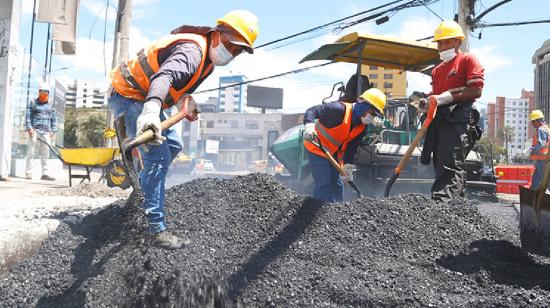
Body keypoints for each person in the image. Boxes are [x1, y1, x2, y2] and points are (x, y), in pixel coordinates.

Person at [108, 10, 259, 249]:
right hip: (130, 95)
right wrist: (150, 111)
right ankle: (156, 230)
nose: (232, 53)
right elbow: (165, 76)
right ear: (218, 34)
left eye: (237, 51)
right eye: (231, 45)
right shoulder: (193, 51)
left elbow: (179, 86)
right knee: (158, 155)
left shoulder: (207, 64)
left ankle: (145, 184)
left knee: (174, 146)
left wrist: (183, 102)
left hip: (145, 96)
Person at [420, 20, 485, 202]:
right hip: (440, 119)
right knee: (441, 162)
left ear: (457, 41)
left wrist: (444, 98)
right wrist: (428, 100)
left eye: (446, 41)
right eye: (439, 43)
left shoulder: (467, 60)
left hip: (460, 119)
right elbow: (435, 95)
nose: (441, 46)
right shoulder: (437, 70)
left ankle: (442, 204)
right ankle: (457, 205)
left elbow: (476, 90)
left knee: (450, 162)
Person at [302, 81, 386, 203]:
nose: (371, 117)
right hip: (316, 146)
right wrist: (309, 127)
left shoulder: (362, 127)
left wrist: (348, 168)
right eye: (372, 113)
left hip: (333, 153)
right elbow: (311, 111)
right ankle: (318, 216)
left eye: (374, 115)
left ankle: (337, 215)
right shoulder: (338, 109)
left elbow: (351, 148)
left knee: (337, 186)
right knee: (324, 184)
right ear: (362, 104)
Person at [25, 81, 57, 181]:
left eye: (47, 92)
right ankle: (28, 172)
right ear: (40, 92)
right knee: (31, 152)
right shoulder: (33, 103)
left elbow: (54, 118)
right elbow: (28, 117)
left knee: (45, 154)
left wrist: (53, 131)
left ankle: (45, 173)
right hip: (34, 131)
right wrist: (30, 128)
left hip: (46, 132)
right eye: (44, 92)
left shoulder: (51, 104)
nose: (46, 94)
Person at [528, 109, 550, 190]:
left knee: (546, 182)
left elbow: (541, 144)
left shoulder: (541, 129)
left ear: (538, 121)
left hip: (543, 160)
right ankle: (532, 200)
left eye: (533, 121)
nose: (532, 123)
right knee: (535, 182)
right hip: (542, 160)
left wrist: (532, 149)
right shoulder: (546, 128)